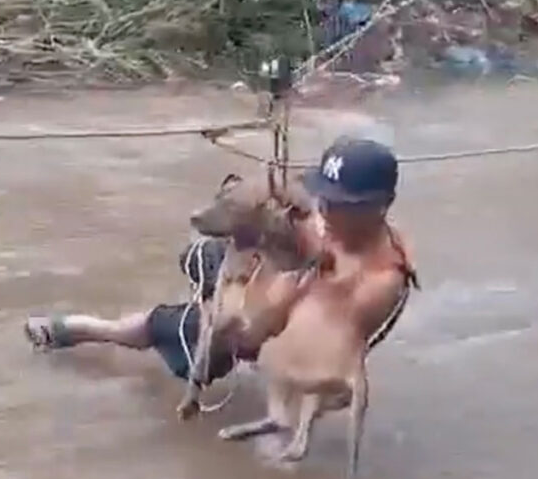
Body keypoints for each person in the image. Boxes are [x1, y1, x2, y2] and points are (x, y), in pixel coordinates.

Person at [22, 136, 411, 384]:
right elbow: (286, 188)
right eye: (324, 198)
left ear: (382, 206)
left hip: (259, 320)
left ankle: (84, 328)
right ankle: (192, 294)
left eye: (341, 205)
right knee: (197, 258)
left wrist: (236, 326)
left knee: (162, 330)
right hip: (248, 269)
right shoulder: (317, 208)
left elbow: (309, 353)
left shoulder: (379, 280)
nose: (326, 211)